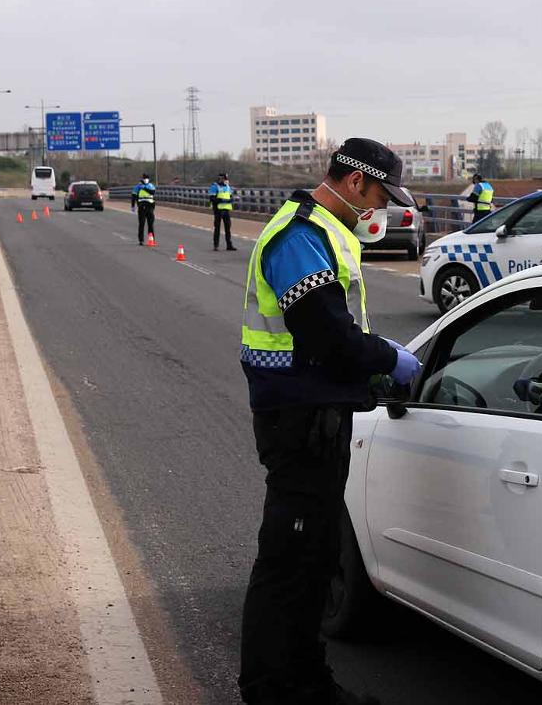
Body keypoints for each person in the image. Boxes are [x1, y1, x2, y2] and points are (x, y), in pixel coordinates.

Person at [238, 137, 422, 705]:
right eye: (380, 196)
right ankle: (273, 689)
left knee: (314, 557)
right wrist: (386, 359)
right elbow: (325, 335)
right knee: (290, 560)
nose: (381, 210)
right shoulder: (301, 235)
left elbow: (331, 339)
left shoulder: (326, 233)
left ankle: (306, 680)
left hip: (316, 410)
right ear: (353, 183)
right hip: (298, 417)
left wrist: (367, 371)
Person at [209, 172, 238, 251]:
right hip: (218, 210)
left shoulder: (228, 187)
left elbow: (231, 196)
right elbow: (212, 198)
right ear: (220, 179)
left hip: (226, 210)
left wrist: (231, 200)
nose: (225, 180)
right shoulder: (214, 186)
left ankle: (229, 245)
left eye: (226, 179)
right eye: (224, 179)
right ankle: (216, 245)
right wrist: (221, 200)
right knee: (217, 228)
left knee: (228, 228)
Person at [131, 173, 157, 246]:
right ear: (142, 179)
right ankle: (141, 240)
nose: (146, 179)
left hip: (150, 206)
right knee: (141, 224)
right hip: (142, 206)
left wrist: (144, 188)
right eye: (145, 178)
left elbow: (153, 192)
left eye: (147, 178)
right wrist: (133, 206)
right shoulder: (137, 186)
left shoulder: (150, 185)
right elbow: (133, 196)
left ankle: (151, 239)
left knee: (150, 224)